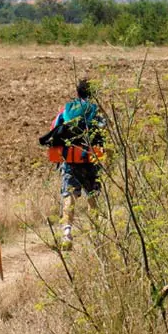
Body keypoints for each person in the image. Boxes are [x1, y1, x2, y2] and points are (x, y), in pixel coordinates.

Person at [45, 79, 104, 250]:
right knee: (92, 196)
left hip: (70, 159)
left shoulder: (66, 110)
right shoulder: (95, 111)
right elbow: (104, 132)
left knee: (68, 196)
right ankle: (95, 236)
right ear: (93, 94)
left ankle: (67, 234)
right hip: (90, 160)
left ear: (77, 93)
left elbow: (54, 129)